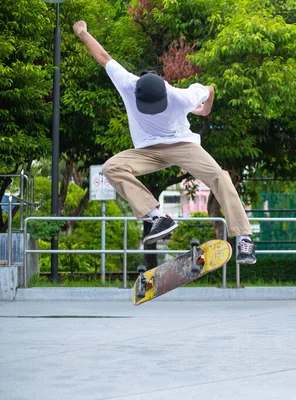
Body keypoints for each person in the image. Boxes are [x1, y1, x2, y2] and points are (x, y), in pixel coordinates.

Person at [73, 20, 256, 264]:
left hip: (183, 145)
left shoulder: (182, 96)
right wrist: (84, 33)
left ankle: (244, 237)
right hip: (148, 150)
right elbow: (104, 57)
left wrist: (204, 110)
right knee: (111, 167)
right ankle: (157, 216)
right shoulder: (128, 84)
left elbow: (209, 89)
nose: (150, 112)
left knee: (220, 176)